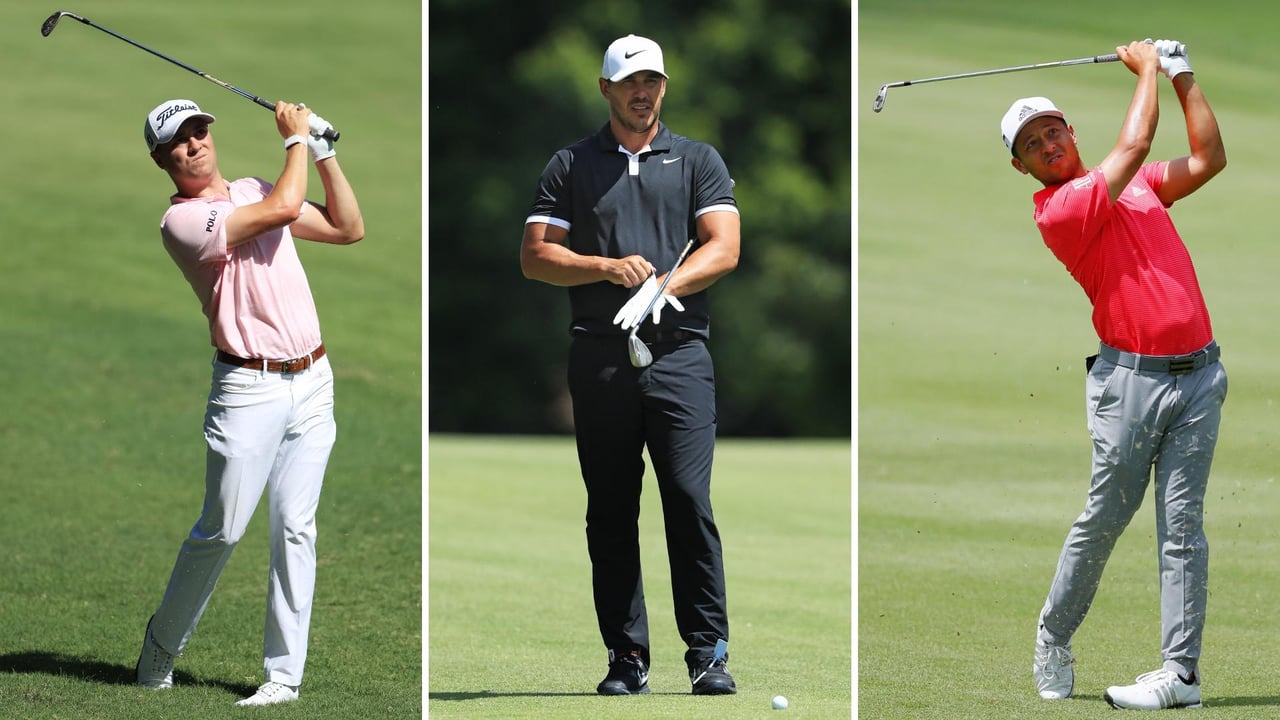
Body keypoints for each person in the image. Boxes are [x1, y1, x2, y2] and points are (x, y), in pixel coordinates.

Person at [1003, 39, 1228, 710]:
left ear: (1071, 133)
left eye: (1052, 131)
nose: (1046, 144)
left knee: (1183, 528)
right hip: (1129, 385)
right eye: (1030, 144)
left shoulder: (1138, 188)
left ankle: (1180, 675)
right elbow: (1131, 147)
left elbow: (1209, 159)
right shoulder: (1060, 211)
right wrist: (1150, 69)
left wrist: (1184, 76)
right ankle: (1054, 635)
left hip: (1200, 379)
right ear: (1020, 167)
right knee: (1106, 517)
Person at [519, 34, 741, 696]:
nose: (642, 92)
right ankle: (626, 658)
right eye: (629, 82)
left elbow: (723, 247)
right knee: (611, 508)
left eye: (652, 82)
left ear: (663, 88)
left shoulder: (698, 159)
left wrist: (661, 288)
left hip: (679, 355)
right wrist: (604, 268)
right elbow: (534, 255)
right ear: (606, 89)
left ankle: (708, 653)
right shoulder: (571, 164)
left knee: (688, 498)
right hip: (599, 355)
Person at [133, 98, 364, 707]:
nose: (195, 144)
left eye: (200, 130)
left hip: (313, 379)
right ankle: (160, 649)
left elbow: (347, 228)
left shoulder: (254, 188)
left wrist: (324, 150)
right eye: (180, 141)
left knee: (295, 527)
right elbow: (285, 207)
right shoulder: (181, 222)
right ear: (162, 159)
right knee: (222, 529)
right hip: (246, 391)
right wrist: (294, 138)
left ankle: (283, 678)